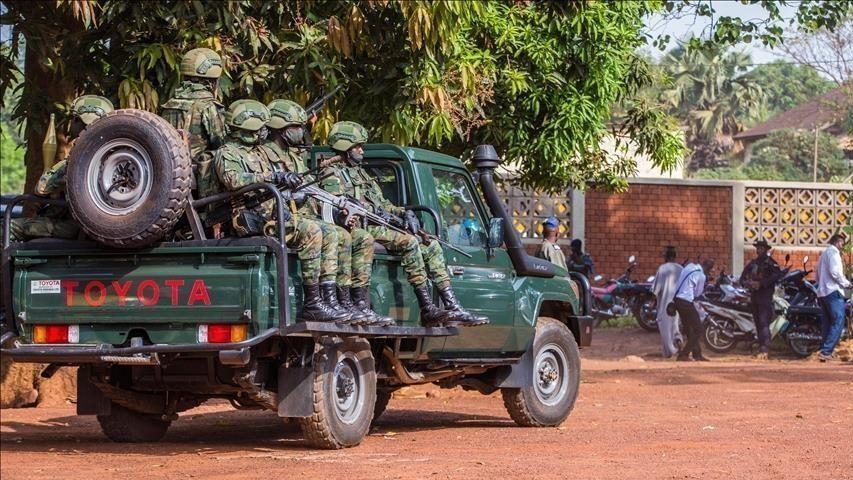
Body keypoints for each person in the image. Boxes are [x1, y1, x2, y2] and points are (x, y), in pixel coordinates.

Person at [320, 120, 488, 327]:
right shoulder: (330, 172)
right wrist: (380, 213)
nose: (362, 151)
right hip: (360, 226)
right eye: (357, 146)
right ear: (345, 146)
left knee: (431, 244)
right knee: (409, 242)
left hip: (377, 223)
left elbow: (384, 204)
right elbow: (340, 205)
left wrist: (404, 214)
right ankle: (426, 307)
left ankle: (451, 305)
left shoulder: (360, 173)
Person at [255, 99, 388, 326]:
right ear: (281, 128)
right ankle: (314, 303)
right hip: (281, 215)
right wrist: (284, 186)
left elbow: (312, 191)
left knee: (344, 234)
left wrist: (342, 207)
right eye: (296, 127)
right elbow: (261, 186)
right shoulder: (264, 154)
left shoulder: (294, 156)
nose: (301, 132)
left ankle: (340, 301)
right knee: (321, 231)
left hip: (301, 213)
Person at [213, 99, 347, 324]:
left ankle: (328, 299)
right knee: (313, 231)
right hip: (251, 218)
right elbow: (233, 180)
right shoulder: (228, 152)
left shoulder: (259, 152)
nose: (266, 130)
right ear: (249, 127)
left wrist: (288, 182)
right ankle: (312, 303)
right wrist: (273, 177)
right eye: (261, 126)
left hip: (274, 214)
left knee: (332, 232)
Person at [9, 95, 114, 242]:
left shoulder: (79, 158)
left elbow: (41, 188)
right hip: (108, 229)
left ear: (77, 121)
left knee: (8, 227)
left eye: (73, 119)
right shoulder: (119, 158)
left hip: (73, 227)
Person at [160, 47, 228, 198]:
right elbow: (221, 144)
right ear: (212, 81)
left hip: (169, 174)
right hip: (199, 178)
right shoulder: (208, 106)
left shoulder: (170, 103)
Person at [740, 239, 785, 360]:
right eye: (758, 248)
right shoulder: (753, 263)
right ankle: (761, 347)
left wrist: (762, 284)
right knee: (758, 323)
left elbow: (778, 276)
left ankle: (765, 349)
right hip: (754, 297)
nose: (759, 250)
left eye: (761, 248)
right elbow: (742, 278)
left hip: (765, 297)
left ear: (766, 249)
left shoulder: (770, 263)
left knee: (764, 322)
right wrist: (749, 284)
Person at [815, 233, 851, 362]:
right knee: (838, 321)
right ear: (837, 242)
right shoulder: (834, 253)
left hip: (823, 292)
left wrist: (821, 285)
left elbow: (817, 273)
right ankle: (826, 351)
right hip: (833, 291)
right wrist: (847, 284)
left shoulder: (824, 254)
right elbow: (835, 272)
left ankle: (824, 351)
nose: (842, 245)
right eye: (842, 242)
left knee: (827, 323)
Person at [673, 258, 714, 362]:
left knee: (689, 329)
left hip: (677, 300)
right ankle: (683, 354)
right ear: (708, 269)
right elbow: (697, 294)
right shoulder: (701, 276)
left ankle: (697, 354)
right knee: (698, 329)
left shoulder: (689, 266)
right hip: (686, 302)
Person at [651, 245, 684, 358]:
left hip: (665, 305)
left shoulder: (662, 269)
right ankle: (678, 340)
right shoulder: (681, 269)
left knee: (665, 330)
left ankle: (671, 351)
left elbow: (656, 290)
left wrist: (652, 303)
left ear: (666, 256)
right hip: (678, 304)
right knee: (675, 326)